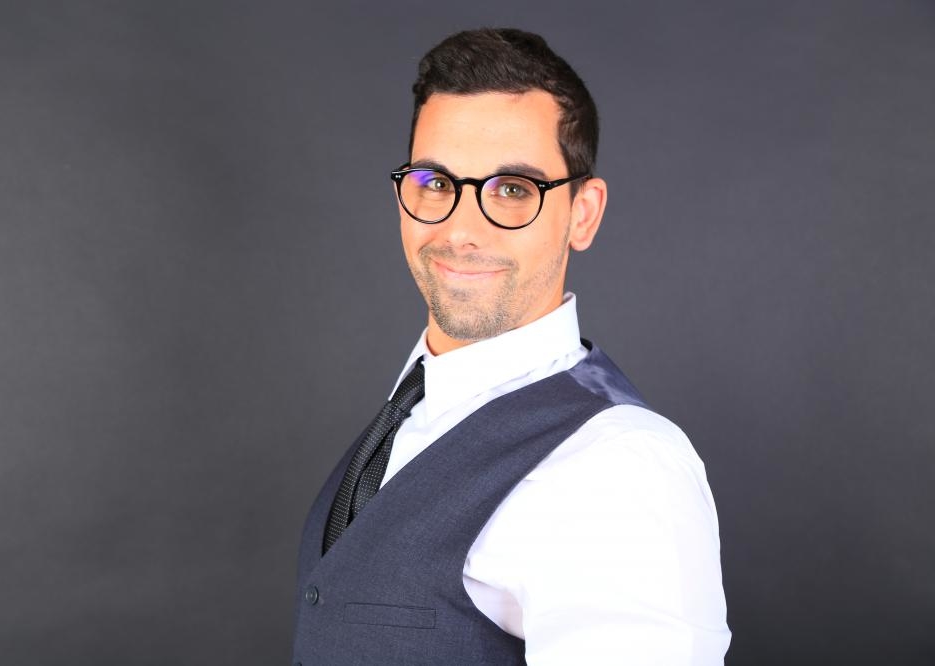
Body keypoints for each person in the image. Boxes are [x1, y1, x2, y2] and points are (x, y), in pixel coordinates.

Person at [292, 27, 730, 665]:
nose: (460, 230)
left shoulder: (618, 471)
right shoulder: (411, 407)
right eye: (436, 182)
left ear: (582, 213)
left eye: (513, 190)